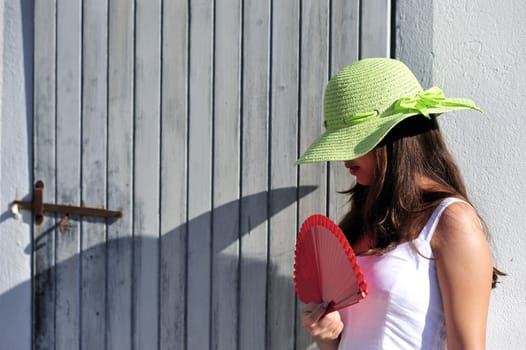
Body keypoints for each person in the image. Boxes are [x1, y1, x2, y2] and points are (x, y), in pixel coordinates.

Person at [296, 58, 503, 350]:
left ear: (393, 138)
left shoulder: (449, 220)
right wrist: (327, 336)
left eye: (354, 143)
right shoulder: (365, 220)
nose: (343, 159)